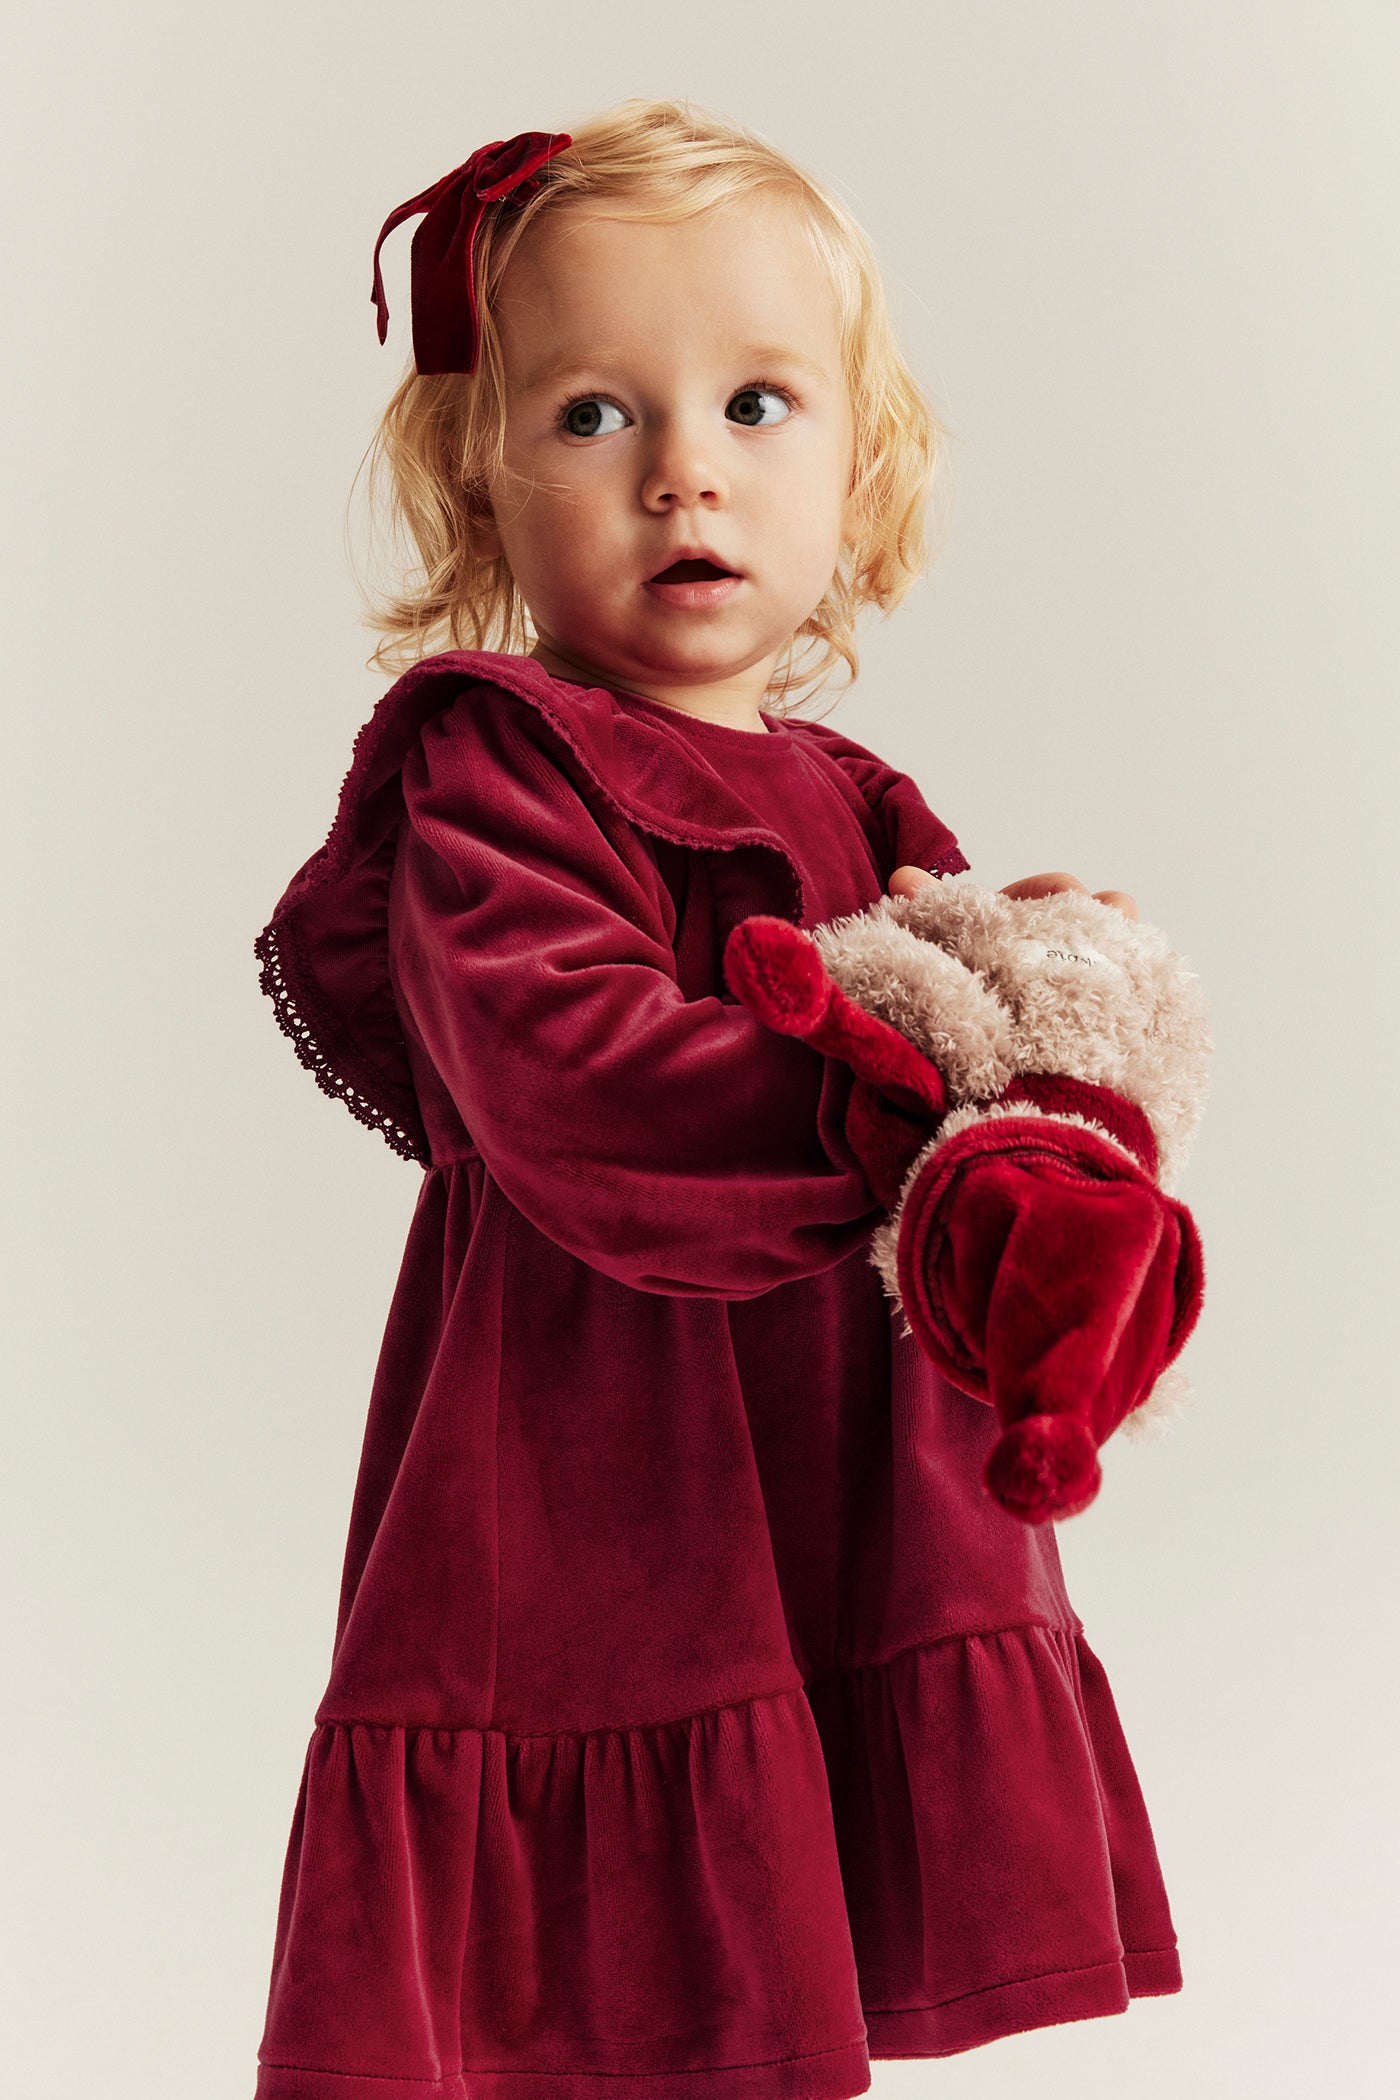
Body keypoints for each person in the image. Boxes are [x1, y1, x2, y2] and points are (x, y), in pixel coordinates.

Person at [251, 98, 1178, 2100]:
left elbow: (965, 1062)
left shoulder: (859, 800)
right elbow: (574, 1080)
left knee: (787, 1973)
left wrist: (1042, 1044)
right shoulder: (493, 765)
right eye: (594, 415)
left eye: (758, 405)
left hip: (839, 1472)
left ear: (859, 466)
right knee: (599, 2005)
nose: (683, 469)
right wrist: (901, 1103)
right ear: (482, 475)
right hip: (604, 1473)